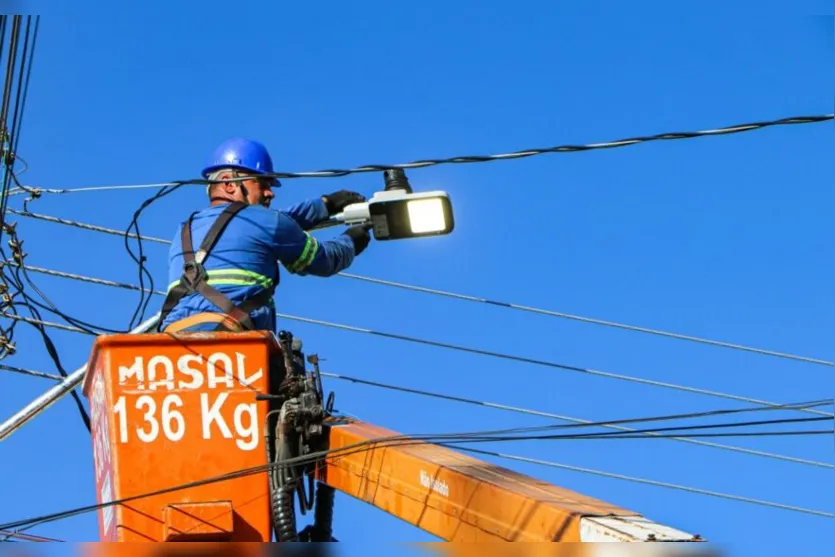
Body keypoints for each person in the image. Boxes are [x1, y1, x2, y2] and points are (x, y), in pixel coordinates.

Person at [157, 137, 372, 334]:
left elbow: (267, 226)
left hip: (173, 343)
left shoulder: (185, 229)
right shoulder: (265, 222)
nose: (271, 193)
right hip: (234, 343)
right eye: (262, 184)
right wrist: (353, 240)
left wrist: (324, 205)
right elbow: (324, 259)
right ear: (229, 184)